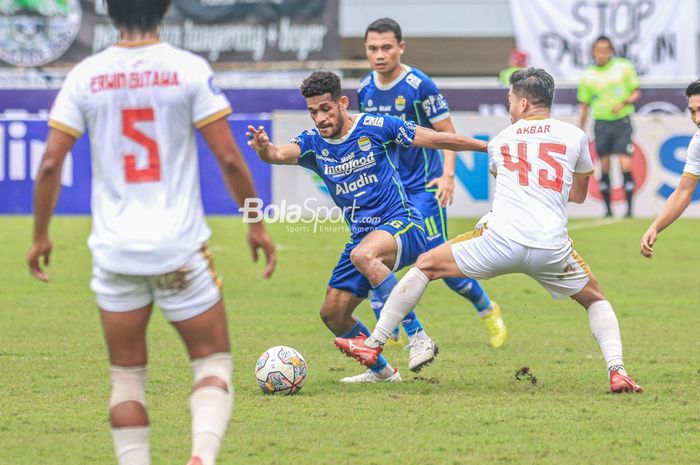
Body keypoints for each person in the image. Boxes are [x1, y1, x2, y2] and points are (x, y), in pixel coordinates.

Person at [26, 1, 277, 465]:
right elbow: (228, 158)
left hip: (115, 253)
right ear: (165, 8)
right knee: (211, 364)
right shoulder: (186, 69)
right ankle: (201, 455)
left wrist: (41, 235)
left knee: (126, 378)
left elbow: (48, 164)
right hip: (179, 250)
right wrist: (255, 222)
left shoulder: (86, 74)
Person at [336, 68, 643, 394]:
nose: (509, 105)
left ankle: (374, 343)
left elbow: (509, 180)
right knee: (595, 299)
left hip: (500, 240)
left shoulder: (501, 140)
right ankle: (617, 371)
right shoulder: (576, 136)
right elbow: (578, 195)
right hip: (551, 246)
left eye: (510, 99)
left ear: (523, 104)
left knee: (425, 265)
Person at [246, 71, 487, 382]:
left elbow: (437, 138)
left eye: (325, 108)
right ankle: (385, 374)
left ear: (342, 103)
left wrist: (487, 148)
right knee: (333, 314)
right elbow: (278, 154)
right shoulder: (312, 143)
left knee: (363, 256)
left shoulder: (375, 126)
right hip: (363, 238)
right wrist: (264, 147)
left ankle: (418, 337)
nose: (320, 118)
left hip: (403, 223)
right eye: (313, 111)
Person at [359, 17, 507, 348]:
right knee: (374, 255)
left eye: (386, 47)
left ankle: (486, 308)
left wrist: (448, 175)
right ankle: (393, 325)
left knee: (437, 262)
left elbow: (447, 134)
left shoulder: (419, 86)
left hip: (424, 189)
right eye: (372, 48)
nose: (379, 55)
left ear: (401, 47)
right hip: (387, 194)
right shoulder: (364, 89)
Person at [578, 35, 640, 218]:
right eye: (599, 50)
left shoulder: (624, 67)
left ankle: (629, 210)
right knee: (604, 165)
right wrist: (580, 131)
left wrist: (624, 102)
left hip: (622, 121)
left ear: (611, 51)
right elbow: (585, 106)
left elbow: (636, 92)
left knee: (625, 163)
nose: (602, 54)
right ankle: (608, 210)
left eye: (606, 50)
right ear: (593, 51)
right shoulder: (587, 75)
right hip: (601, 123)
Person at [640, 80, 700, 257]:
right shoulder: (697, 144)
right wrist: (655, 227)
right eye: (692, 112)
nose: (697, 119)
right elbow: (683, 193)